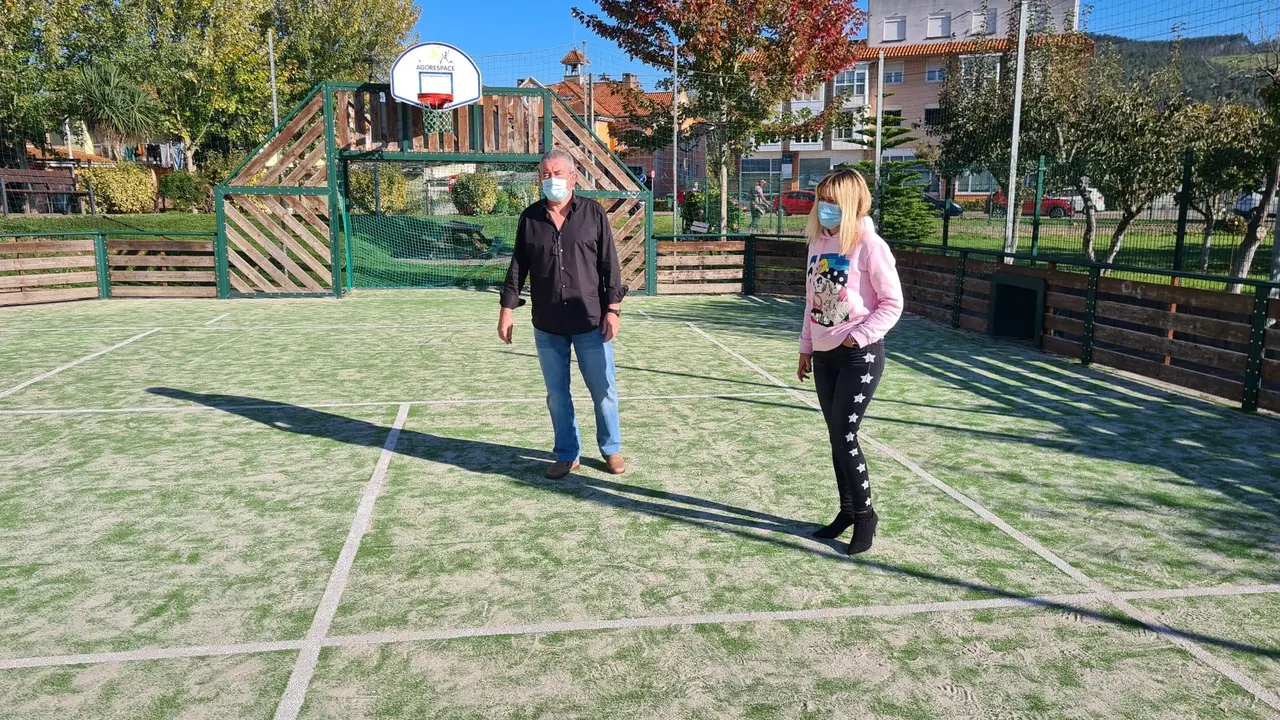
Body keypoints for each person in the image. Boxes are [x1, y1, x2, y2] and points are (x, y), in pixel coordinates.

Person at [499, 149, 627, 479]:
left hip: (590, 321)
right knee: (557, 395)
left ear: (573, 177)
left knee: (603, 391)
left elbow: (609, 265)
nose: (551, 179)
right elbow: (518, 267)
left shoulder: (594, 214)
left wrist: (613, 309)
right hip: (548, 324)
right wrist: (506, 309)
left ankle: (611, 448)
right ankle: (567, 453)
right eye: (544, 174)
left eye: (557, 173)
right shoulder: (529, 219)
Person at [796, 168, 903, 555]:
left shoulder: (870, 245)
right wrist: (806, 347)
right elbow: (812, 302)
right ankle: (845, 511)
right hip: (824, 356)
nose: (824, 208)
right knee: (835, 438)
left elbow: (893, 304)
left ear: (850, 203)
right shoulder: (818, 243)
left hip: (860, 356)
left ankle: (865, 516)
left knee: (845, 436)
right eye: (820, 199)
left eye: (831, 201)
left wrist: (857, 337)